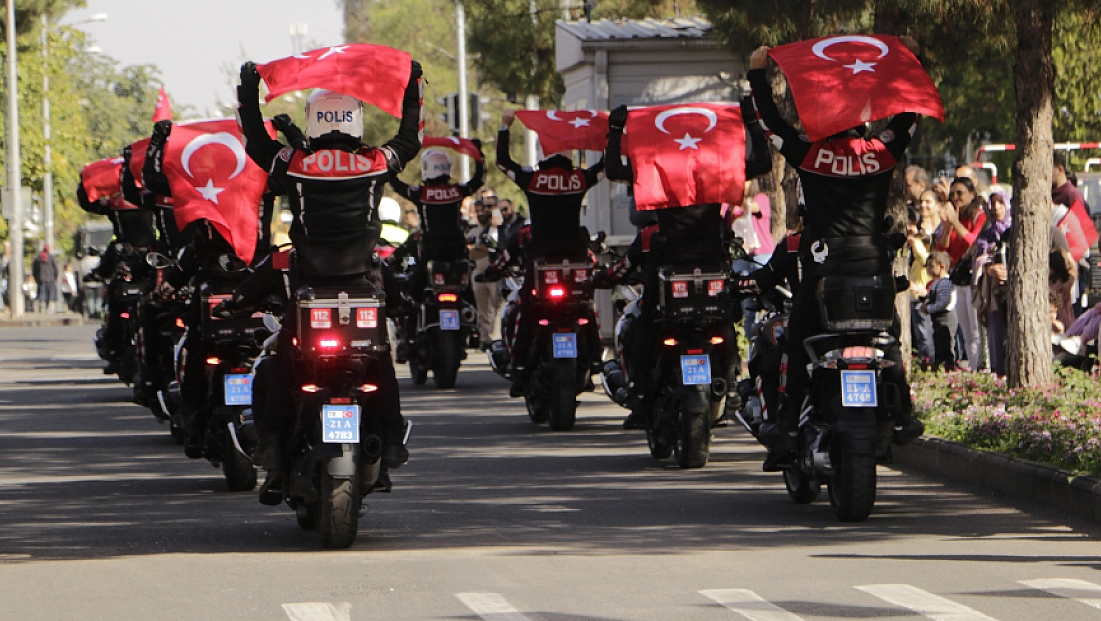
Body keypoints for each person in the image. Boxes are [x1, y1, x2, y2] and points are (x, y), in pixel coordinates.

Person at [226, 58, 423, 499]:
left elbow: (255, 141)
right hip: (364, 289)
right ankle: (390, 442)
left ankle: (274, 448)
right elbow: (410, 139)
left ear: (314, 123)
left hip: (308, 290)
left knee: (281, 367)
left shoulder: (294, 163)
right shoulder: (375, 161)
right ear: (356, 121)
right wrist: (413, 85)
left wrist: (248, 88)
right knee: (379, 362)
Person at [748, 40, 926, 470]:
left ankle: (788, 424)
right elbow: (908, 117)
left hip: (824, 272)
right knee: (889, 342)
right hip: (874, 270)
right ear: (861, 125)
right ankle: (904, 413)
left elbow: (770, 125)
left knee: (794, 343)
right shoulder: (881, 154)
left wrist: (757, 73)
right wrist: (913, 65)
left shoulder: (811, 155)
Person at [604, 93, 772, 430]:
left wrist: (615, 130)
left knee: (646, 325)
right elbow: (762, 163)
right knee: (720, 322)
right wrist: (751, 123)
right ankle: (728, 384)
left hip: (671, 269)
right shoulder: (716, 172)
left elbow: (613, 169)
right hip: (708, 268)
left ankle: (642, 393)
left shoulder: (658, 172)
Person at [490, 110, 606, 396]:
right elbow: (607, 167)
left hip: (541, 262)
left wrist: (505, 128)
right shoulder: (579, 178)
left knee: (529, 311)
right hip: (576, 260)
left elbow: (503, 163)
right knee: (584, 309)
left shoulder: (533, 179)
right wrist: (610, 134)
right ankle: (593, 361)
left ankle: (519, 368)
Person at [936, 177, 987, 370]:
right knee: (966, 331)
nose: (956, 198)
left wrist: (956, 222)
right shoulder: (955, 217)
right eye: (953, 194)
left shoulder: (978, 216)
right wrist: (948, 227)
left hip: (972, 278)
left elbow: (974, 242)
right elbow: (943, 250)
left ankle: (979, 367)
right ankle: (973, 369)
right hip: (957, 278)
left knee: (975, 330)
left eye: (960, 193)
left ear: (972, 195)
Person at [730, 180, 775, 341]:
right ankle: (751, 350)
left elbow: (752, 208)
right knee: (747, 307)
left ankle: (770, 342)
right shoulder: (728, 204)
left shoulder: (761, 198)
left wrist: (734, 195)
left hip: (761, 254)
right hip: (741, 257)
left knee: (768, 302)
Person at [973, 190, 1011, 376]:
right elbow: (978, 262)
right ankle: (999, 372)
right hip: (994, 292)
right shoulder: (985, 236)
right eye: (993, 203)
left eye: (1001, 203)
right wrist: (990, 268)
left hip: (1014, 291)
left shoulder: (1016, 231)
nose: (997, 207)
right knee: (996, 334)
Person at [468, 198, 502, 349]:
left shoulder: (496, 230)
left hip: (494, 272)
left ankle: (497, 338)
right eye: (479, 211)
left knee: (496, 306)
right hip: (478, 272)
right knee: (482, 309)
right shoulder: (473, 231)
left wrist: (477, 250)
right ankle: (485, 339)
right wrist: (477, 250)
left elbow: (491, 249)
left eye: (485, 209)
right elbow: (470, 252)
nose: (482, 213)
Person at [922, 252, 957, 372]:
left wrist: (929, 308)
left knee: (946, 348)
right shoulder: (935, 284)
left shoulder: (945, 283)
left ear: (941, 266)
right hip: (937, 321)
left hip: (946, 320)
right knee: (938, 348)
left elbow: (944, 303)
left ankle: (949, 370)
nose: (928, 270)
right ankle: (938, 369)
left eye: (931, 266)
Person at [31, 245, 59, 313]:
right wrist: (56, 276)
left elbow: (34, 269)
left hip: (41, 279)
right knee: (49, 294)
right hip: (50, 278)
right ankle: (47, 308)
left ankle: (41, 306)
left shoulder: (38, 258)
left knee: (42, 293)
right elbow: (55, 268)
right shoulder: (52, 258)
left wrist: (35, 277)